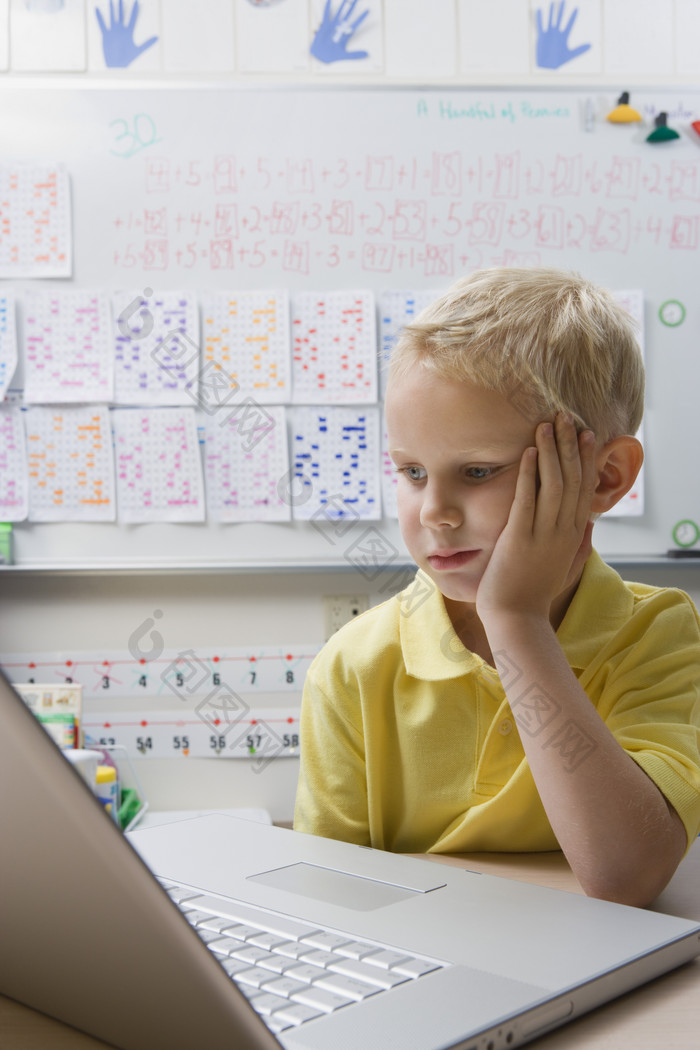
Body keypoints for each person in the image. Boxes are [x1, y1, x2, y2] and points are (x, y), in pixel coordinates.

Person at [294, 268, 700, 907]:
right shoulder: (354, 668)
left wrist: (517, 620)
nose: (434, 511)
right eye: (412, 471)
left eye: (477, 471)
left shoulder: (658, 634)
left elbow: (625, 876)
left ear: (604, 478)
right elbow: (329, 902)